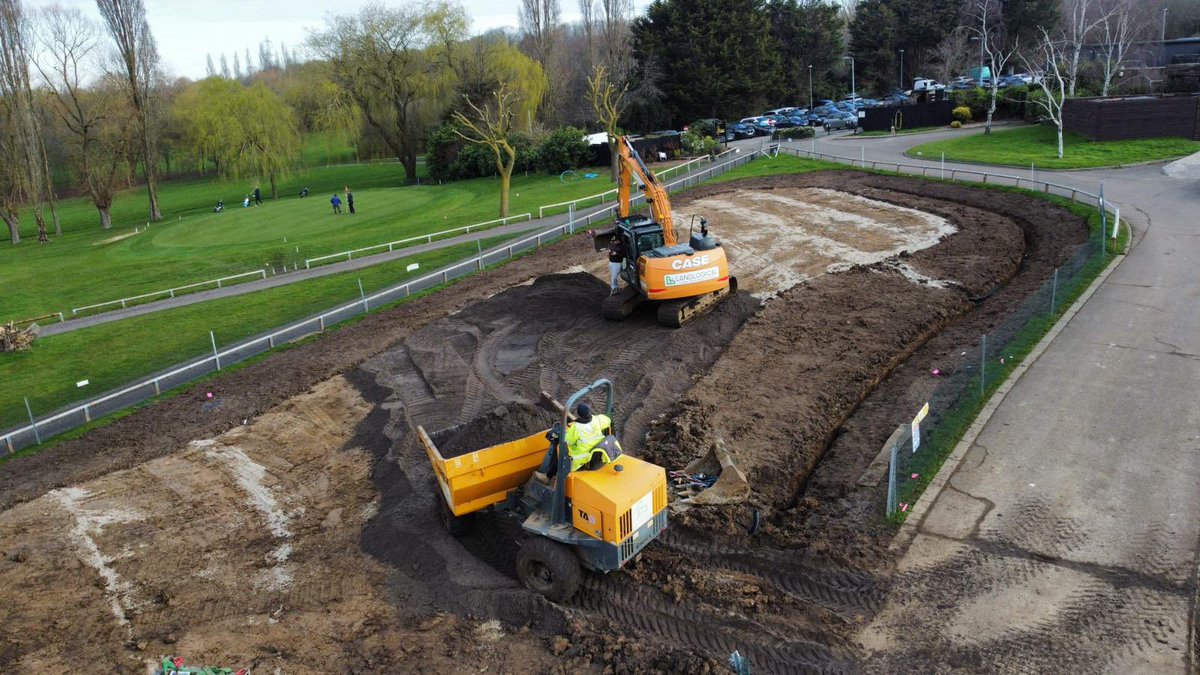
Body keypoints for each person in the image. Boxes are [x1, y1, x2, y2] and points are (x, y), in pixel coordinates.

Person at [533, 403, 619, 484]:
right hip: (595, 452)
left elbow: (566, 442)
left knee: (560, 455)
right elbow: (608, 420)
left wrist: (558, 436)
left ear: (579, 414)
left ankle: (548, 477)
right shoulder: (598, 420)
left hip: (580, 458)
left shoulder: (577, 428)